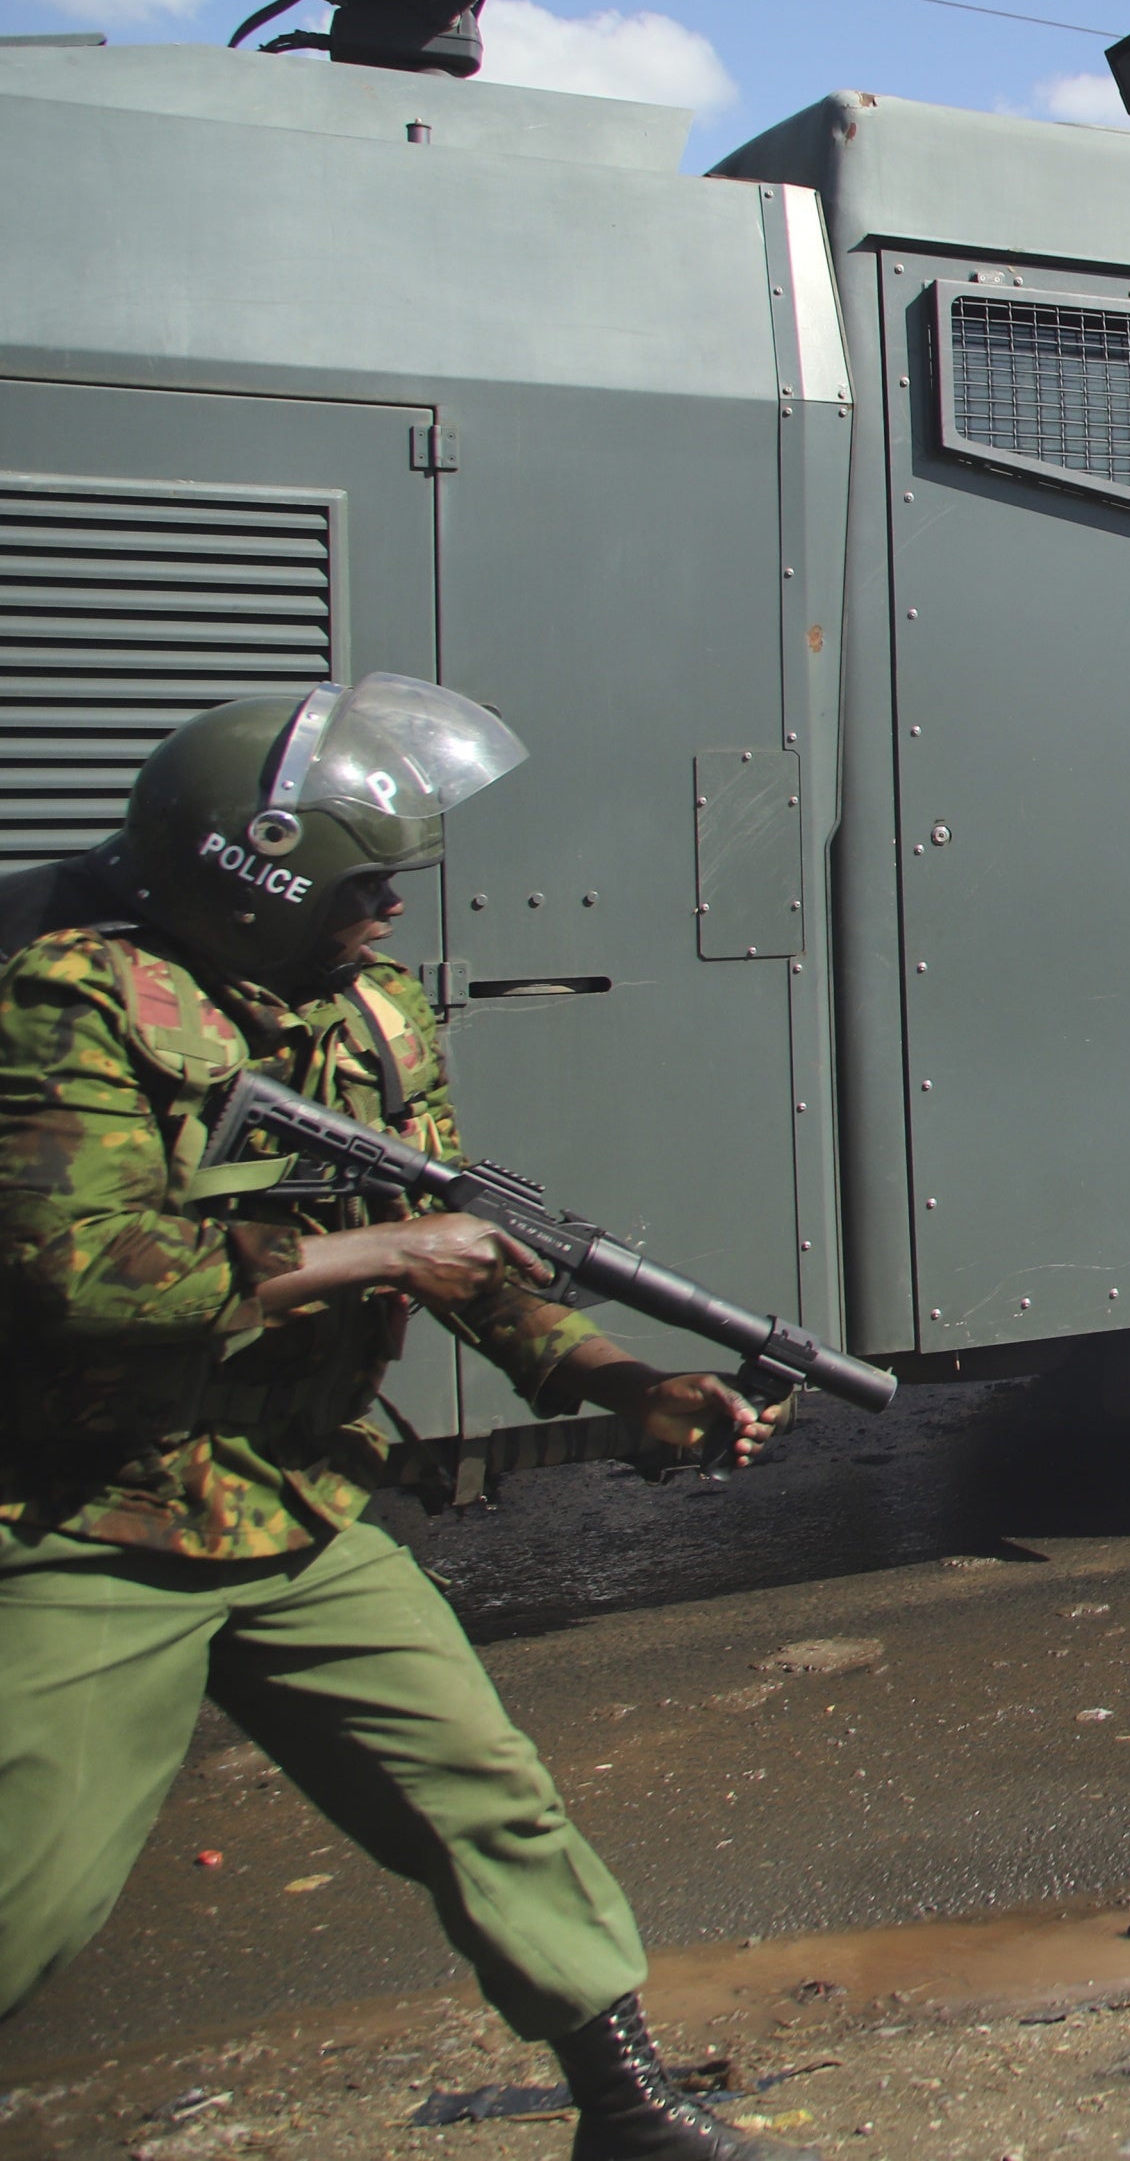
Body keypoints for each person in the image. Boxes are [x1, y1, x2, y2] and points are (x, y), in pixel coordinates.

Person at [0, 676, 814, 2161]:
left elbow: (470, 1258)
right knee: (29, 1890)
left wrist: (627, 1388)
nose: (389, 912)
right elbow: (80, 1278)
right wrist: (372, 1255)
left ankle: (630, 2110)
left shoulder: (370, 1022)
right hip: (97, 1515)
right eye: (360, 884)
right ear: (258, 874)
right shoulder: (72, 1006)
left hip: (297, 1504)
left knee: (488, 1800)